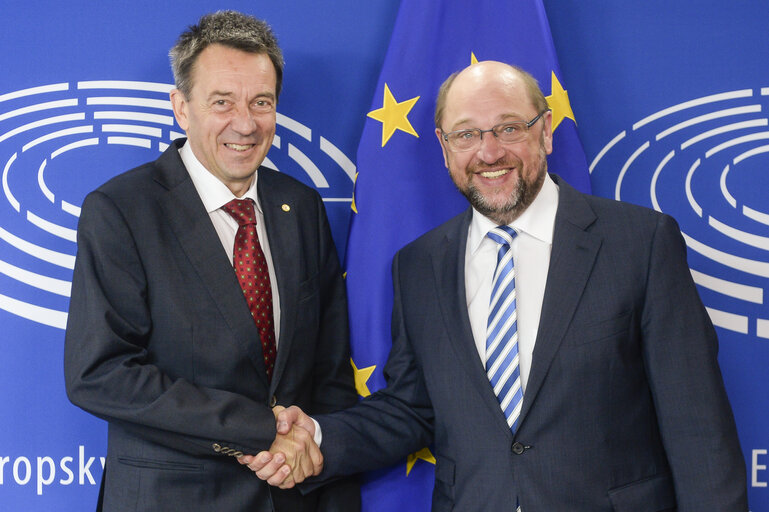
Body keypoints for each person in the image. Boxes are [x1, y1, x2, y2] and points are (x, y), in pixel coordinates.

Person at [243, 61, 749, 511]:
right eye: (466, 135)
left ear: (545, 131)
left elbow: (697, 426)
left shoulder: (640, 243)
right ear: (444, 147)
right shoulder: (419, 266)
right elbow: (411, 409)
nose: (488, 152)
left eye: (508, 128)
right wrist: (318, 435)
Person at [64, 10, 359, 512]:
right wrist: (261, 431)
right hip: (172, 498)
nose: (245, 124)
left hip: (297, 495)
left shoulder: (301, 207)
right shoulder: (121, 210)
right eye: (222, 102)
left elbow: (329, 371)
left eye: (261, 103)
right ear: (182, 107)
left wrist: (311, 447)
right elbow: (102, 372)